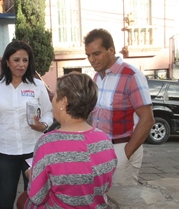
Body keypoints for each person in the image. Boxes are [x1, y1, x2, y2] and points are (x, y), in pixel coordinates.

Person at [21, 72, 117, 208]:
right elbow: (105, 185)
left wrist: (32, 175)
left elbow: (36, 196)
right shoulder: (105, 140)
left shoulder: (48, 143)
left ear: (64, 102)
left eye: (55, 96)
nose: (52, 100)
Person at [0, 40, 53, 209]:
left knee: (33, 199)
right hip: (5, 152)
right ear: (7, 62)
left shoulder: (37, 85)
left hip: (34, 151)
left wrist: (43, 125)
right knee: (5, 200)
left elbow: (49, 112)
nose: (21, 64)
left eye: (25, 60)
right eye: (16, 60)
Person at [84, 28, 155, 186]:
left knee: (123, 200)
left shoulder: (131, 75)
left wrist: (126, 154)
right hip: (99, 149)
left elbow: (148, 119)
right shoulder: (97, 77)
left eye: (96, 53)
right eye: (88, 55)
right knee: (102, 198)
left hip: (121, 148)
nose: (91, 59)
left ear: (111, 50)